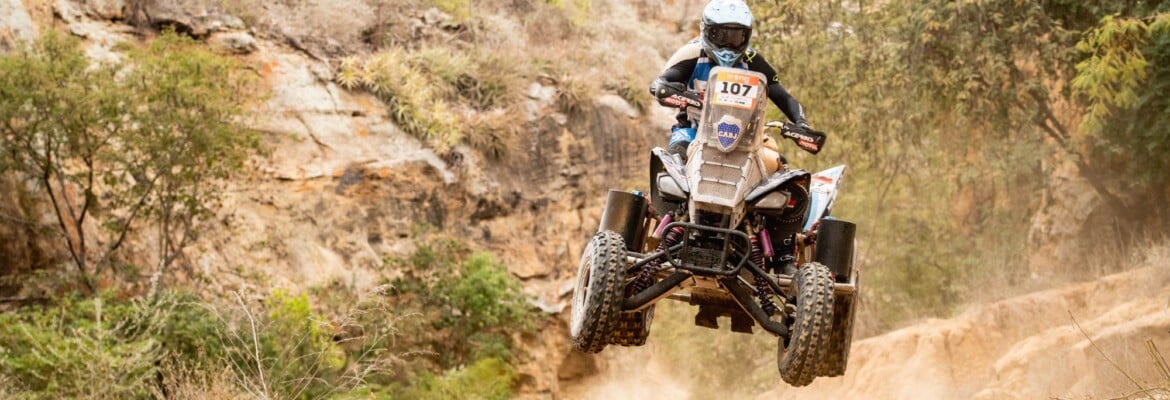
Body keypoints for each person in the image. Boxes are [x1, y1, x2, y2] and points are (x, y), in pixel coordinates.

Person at [649, 0, 809, 161]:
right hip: (690, 131)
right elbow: (659, 85)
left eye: (736, 37)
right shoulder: (692, 53)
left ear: (746, 36)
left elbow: (783, 97)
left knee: (779, 165)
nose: (728, 45)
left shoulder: (752, 60)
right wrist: (681, 95)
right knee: (671, 161)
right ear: (706, 30)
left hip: (744, 138)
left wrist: (801, 124)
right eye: (721, 36)